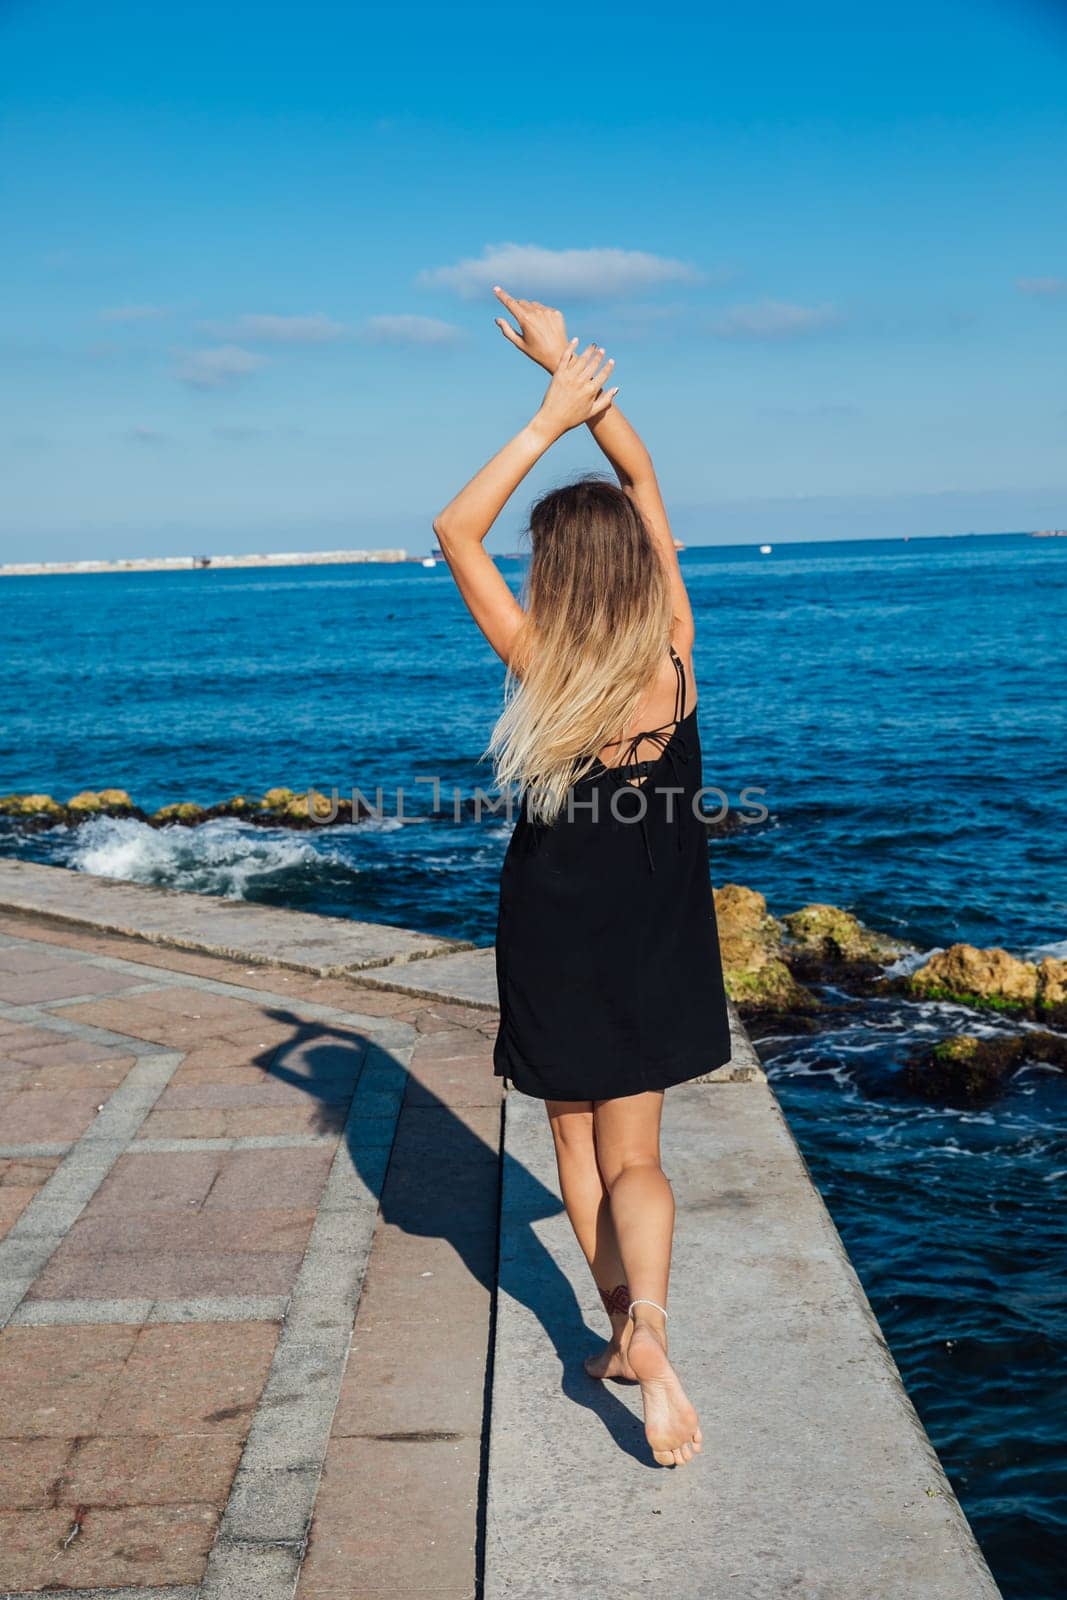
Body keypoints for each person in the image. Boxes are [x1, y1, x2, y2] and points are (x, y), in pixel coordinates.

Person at [432, 287, 733, 1468]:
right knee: (637, 1158)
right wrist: (584, 386)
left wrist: (543, 417)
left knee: (572, 1150)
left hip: (551, 932)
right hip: (658, 934)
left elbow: (454, 530)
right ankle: (648, 1328)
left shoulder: (537, 664)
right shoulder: (672, 657)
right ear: (637, 573)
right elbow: (647, 484)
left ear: (556, 572)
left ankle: (620, 1334)